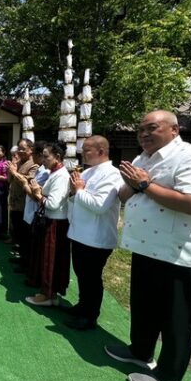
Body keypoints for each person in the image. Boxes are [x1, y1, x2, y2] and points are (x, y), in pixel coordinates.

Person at [104, 110, 191, 381]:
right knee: (143, 306)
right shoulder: (141, 159)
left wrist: (146, 184)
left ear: (174, 130)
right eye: (140, 130)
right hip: (145, 247)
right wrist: (135, 183)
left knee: (175, 317)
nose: (143, 134)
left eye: (151, 128)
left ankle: (169, 379)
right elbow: (123, 194)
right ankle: (140, 351)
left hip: (177, 252)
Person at [64, 135, 122, 330]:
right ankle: (82, 306)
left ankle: (90, 316)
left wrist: (79, 191)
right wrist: (74, 191)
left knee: (91, 278)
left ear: (101, 151)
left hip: (96, 237)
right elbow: (76, 199)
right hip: (79, 233)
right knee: (81, 274)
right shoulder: (88, 172)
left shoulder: (112, 174)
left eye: (87, 150)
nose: (83, 153)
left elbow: (99, 206)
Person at [25, 142, 71, 306]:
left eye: (46, 156)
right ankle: (48, 293)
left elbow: (52, 203)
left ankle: (48, 295)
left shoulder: (61, 176)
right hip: (51, 221)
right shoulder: (55, 173)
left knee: (50, 261)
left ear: (57, 157)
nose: (43, 160)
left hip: (55, 223)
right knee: (47, 259)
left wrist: (37, 193)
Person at [17, 141, 48, 275]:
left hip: (36, 210)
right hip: (29, 209)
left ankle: (28, 266)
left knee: (31, 241)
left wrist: (25, 184)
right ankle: (24, 261)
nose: (32, 156)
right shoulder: (40, 169)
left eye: (33, 153)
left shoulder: (45, 172)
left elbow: (36, 195)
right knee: (26, 238)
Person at [7, 139, 39, 262]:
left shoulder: (34, 164)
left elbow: (29, 180)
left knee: (24, 231)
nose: (20, 151)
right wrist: (11, 170)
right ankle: (19, 251)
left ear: (31, 149)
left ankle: (24, 258)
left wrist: (14, 172)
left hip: (25, 204)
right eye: (19, 148)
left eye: (23, 149)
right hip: (14, 201)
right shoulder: (18, 162)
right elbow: (9, 180)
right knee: (16, 227)